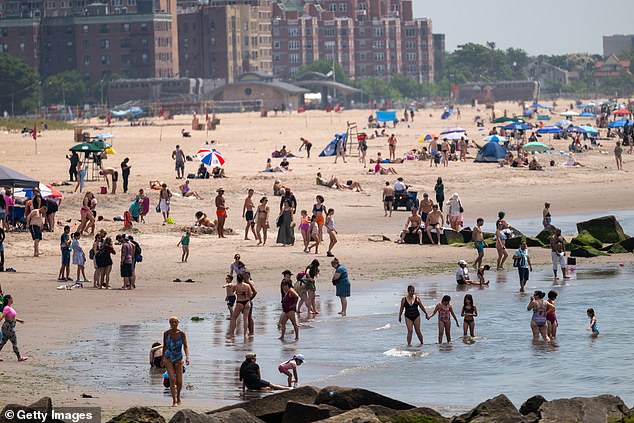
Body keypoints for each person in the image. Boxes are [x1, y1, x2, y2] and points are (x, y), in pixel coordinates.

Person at [162, 316, 189, 406]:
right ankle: (174, 400)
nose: (174, 324)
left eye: (176, 322)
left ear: (178, 323)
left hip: (178, 358)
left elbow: (185, 346)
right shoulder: (166, 333)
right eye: (172, 322)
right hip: (168, 357)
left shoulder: (182, 334)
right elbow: (165, 346)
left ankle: (178, 397)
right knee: (172, 379)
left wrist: (187, 357)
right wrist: (162, 358)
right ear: (170, 323)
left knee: (179, 382)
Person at [0, 295, 28, 362]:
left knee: (3, 342)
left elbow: (12, 317)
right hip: (8, 327)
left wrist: (19, 320)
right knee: (14, 342)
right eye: (11, 298)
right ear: (8, 299)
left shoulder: (9, 307)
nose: (12, 299)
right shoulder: (6, 308)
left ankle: (19, 357)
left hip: (7, 327)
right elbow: (3, 316)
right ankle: (19, 357)